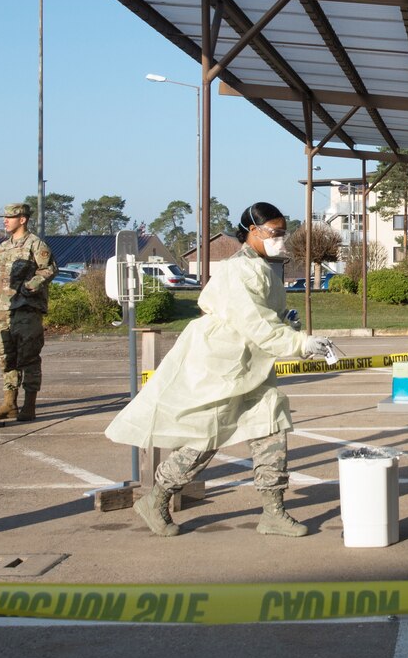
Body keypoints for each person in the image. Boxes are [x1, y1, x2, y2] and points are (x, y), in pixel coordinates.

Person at [105, 202, 340, 538]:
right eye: (274, 232)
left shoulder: (261, 267)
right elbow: (253, 323)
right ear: (252, 232)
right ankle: (156, 499)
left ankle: (273, 512)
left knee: (270, 425)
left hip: (251, 365)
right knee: (206, 435)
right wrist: (300, 344)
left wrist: (287, 325)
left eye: (282, 232)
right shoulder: (237, 270)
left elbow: (264, 318)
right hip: (221, 364)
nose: (280, 239)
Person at [0, 202, 55, 421]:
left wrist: (29, 286)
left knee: (29, 357)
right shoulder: (4, 247)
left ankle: (29, 405)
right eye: (4, 217)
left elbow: (50, 269)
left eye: (10, 217)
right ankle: (9, 403)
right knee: (6, 357)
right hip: (3, 311)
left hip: (26, 310)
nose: (5, 220)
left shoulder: (35, 244)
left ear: (22, 219)